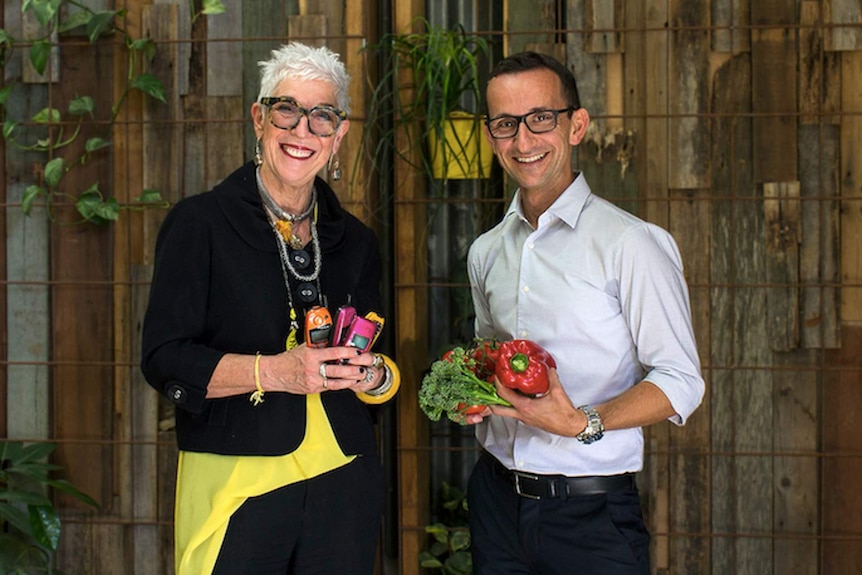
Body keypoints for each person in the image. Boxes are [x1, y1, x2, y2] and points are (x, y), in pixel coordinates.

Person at [140, 42, 399, 575]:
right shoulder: (200, 224)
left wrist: (373, 376)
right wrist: (275, 372)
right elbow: (165, 359)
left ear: (339, 134)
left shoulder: (356, 241)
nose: (302, 131)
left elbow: (380, 362)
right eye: (287, 110)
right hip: (237, 482)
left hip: (343, 480)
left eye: (322, 116)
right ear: (260, 119)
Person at [463, 51, 705, 574]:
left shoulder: (631, 244)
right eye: (506, 124)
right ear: (490, 137)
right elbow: (488, 356)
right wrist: (475, 396)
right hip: (496, 503)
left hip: (591, 516)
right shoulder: (485, 252)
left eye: (540, 119)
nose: (523, 141)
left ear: (576, 125)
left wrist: (580, 422)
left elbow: (682, 381)